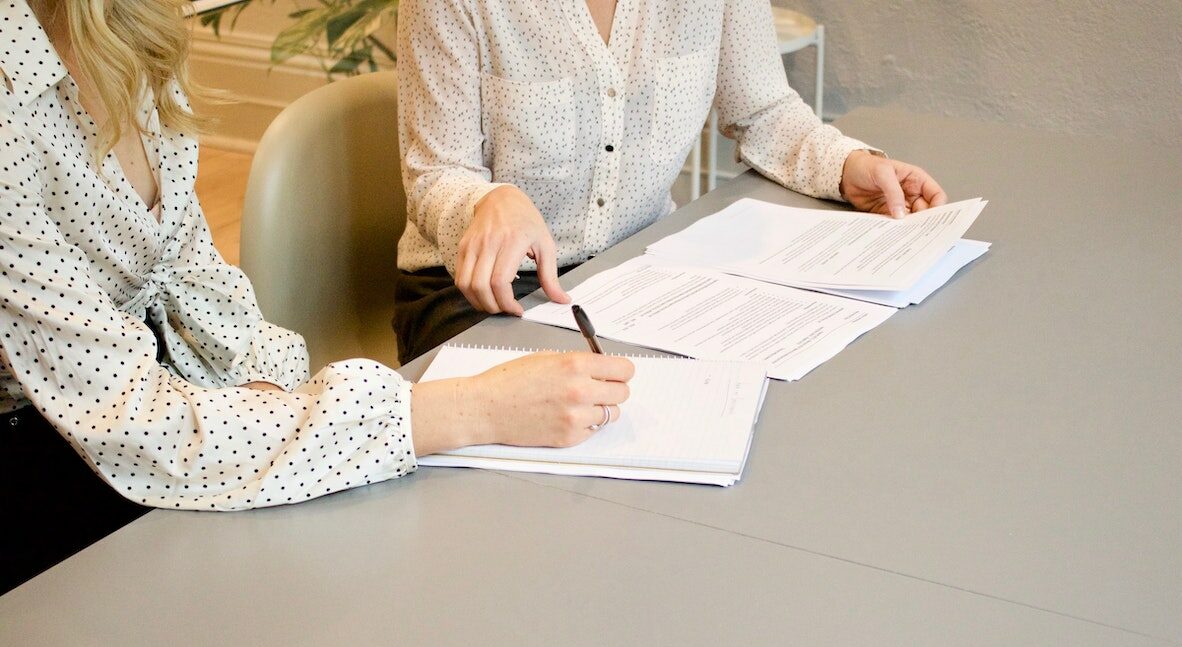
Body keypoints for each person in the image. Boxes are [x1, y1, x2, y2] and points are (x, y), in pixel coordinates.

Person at [0, 0, 633, 595]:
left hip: (160, 410)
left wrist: (271, 392)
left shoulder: (129, 30)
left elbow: (193, 278)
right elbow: (135, 423)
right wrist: (472, 410)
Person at [394, 0, 949, 362]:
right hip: (478, 292)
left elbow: (763, 110)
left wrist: (848, 165)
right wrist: (488, 201)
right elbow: (435, 172)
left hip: (636, 273)